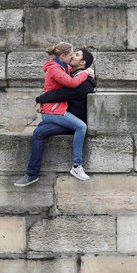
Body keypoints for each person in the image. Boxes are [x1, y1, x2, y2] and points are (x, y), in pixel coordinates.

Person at [14, 43, 94, 186]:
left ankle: (77, 166)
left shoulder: (83, 80)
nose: (72, 55)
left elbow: (60, 94)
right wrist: (40, 99)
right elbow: (58, 91)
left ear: (82, 62)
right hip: (65, 118)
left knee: (80, 126)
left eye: (76, 54)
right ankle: (32, 174)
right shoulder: (69, 71)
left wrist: (40, 99)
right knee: (39, 132)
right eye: (72, 53)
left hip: (74, 123)